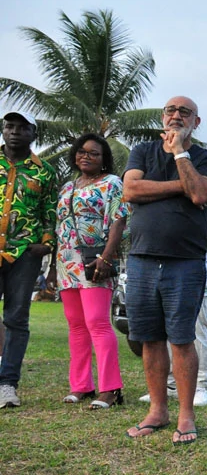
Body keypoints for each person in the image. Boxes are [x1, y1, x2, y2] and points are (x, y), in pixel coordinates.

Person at [123, 97, 207, 444]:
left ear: (197, 121)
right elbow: (130, 189)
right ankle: (158, 411)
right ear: (163, 117)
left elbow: (198, 195)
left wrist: (180, 154)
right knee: (149, 338)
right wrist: (181, 186)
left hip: (185, 261)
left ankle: (186, 415)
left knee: (182, 339)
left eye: (185, 112)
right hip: (142, 259)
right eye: (170, 111)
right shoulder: (143, 151)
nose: (176, 116)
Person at [50, 133, 128, 408]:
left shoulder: (112, 184)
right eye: (82, 152)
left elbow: (119, 219)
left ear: (104, 158)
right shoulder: (68, 186)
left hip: (95, 259)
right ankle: (81, 385)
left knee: (97, 322)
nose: (86, 156)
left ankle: (110, 389)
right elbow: (60, 226)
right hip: (66, 261)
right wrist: (53, 267)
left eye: (94, 153)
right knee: (76, 325)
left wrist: (107, 258)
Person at [143, 189, 207, 406]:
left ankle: (201, 385)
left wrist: (183, 246)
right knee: (167, 330)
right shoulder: (166, 191)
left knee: (196, 329)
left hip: (195, 273)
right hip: (164, 271)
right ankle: (170, 384)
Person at [0, 110, 58, 409]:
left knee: (16, 318)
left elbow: (50, 212)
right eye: (10, 126)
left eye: (23, 128)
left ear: (33, 134)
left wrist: (46, 244)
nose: (15, 132)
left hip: (24, 253)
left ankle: (7, 383)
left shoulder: (44, 171)